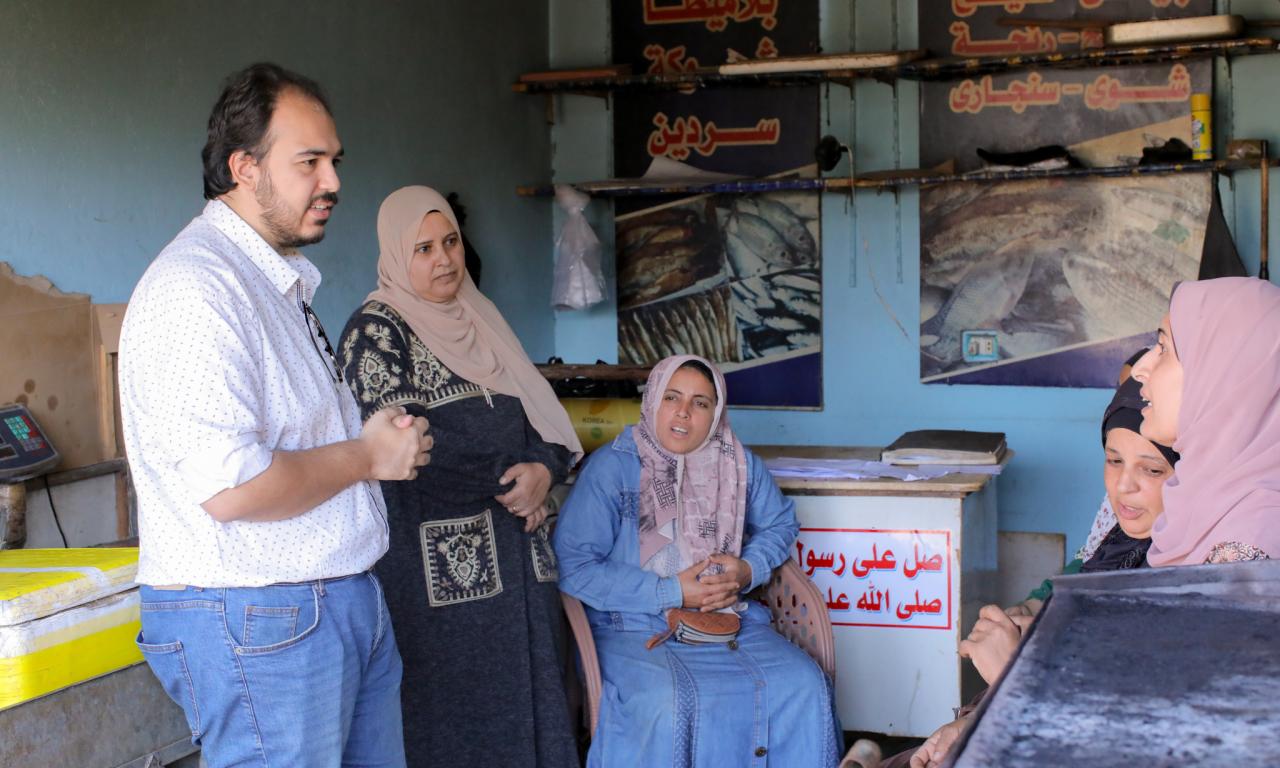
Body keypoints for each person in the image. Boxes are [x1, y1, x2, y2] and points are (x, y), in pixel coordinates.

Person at [119, 63, 430, 767]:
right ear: (243, 167)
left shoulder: (270, 284)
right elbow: (235, 488)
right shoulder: (197, 290)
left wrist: (378, 438)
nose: (334, 182)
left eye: (335, 161)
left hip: (326, 603)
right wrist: (369, 456)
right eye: (309, 162)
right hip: (260, 616)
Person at [338, 185, 583, 767]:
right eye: (422, 248)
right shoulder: (377, 332)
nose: (443, 259)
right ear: (397, 255)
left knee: (537, 719)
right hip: (439, 584)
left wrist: (544, 472)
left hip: (522, 571)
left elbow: (544, 425)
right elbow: (397, 451)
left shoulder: (481, 318)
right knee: (456, 729)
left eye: (449, 242)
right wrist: (510, 480)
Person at [553, 354, 841, 768]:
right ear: (653, 400)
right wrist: (671, 590)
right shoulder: (612, 468)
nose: (684, 412)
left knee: (803, 683)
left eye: (701, 402)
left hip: (727, 622)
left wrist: (748, 569)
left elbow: (781, 524)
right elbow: (573, 565)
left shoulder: (739, 465)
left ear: (716, 412)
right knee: (665, 702)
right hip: (633, 627)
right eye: (672, 397)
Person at [891, 372, 1178, 768]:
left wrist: (1012, 675)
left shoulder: (1198, 573)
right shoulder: (1118, 545)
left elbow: (1126, 731)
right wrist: (976, 719)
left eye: (1153, 470)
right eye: (1113, 460)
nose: (1123, 486)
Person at [1132, 276, 1280, 565]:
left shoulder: (1251, 541)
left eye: (1164, 348)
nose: (1140, 368)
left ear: (1222, 377)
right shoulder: (1204, 499)